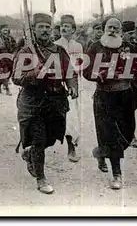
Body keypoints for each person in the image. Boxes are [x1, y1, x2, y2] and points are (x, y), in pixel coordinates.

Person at [12, 13, 78, 194]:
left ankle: (30, 153)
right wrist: (34, 72)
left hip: (56, 102)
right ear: (33, 30)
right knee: (39, 139)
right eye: (40, 27)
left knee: (52, 137)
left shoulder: (59, 51)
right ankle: (41, 179)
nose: (45, 30)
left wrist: (72, 86)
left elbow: (70, 72)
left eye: (47, 27)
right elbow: (16, 77)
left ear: (52, 30)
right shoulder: (26, 52)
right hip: (35, 102)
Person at [83, 17, 137, 190]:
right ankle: (117, 174)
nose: (112, 30)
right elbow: (86, 71)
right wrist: (100, 74)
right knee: (111, 135)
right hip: (105, 96)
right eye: (109, 27)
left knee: (127, 135)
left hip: (125, 96)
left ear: (120, 31)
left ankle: (101, 152)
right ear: (104, 29)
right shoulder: (95, 47)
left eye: (116, 28)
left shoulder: (128, 47)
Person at [54, 14, 84, 162]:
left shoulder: (77, 46)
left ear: (73, 30)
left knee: (73, 114)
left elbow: (79, 65)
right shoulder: (55, 45)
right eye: (62, 26)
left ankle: (71, 146)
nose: (64, 28)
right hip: (59, 84)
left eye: (67, 26)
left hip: (73, 83)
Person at [0, 24, 17, 96]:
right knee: (4, 73)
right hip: (1, 59)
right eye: (4, 30)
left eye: (7, 30)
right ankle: (7, 89)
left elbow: (15, 47)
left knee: (10, 73)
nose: (5, 31)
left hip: (10, 59)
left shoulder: (11, 38)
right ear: (1, 31)